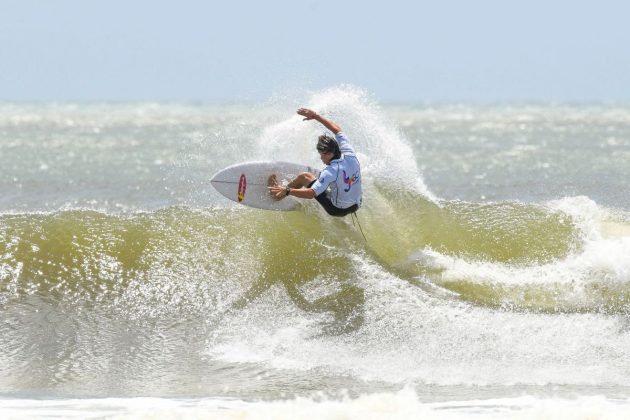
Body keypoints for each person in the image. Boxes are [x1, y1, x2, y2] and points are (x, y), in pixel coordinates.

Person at [268, 108, 362, 217]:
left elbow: (311, 194)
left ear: (327, 153)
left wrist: (288, 190)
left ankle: (278, 195)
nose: (321, 158)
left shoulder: (330, 171)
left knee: (305, 177)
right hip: (356, 205)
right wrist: (316, 116)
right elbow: (337, 130)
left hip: (337, 210)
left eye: (322, 155)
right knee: (328, 182)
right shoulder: (349, 153)